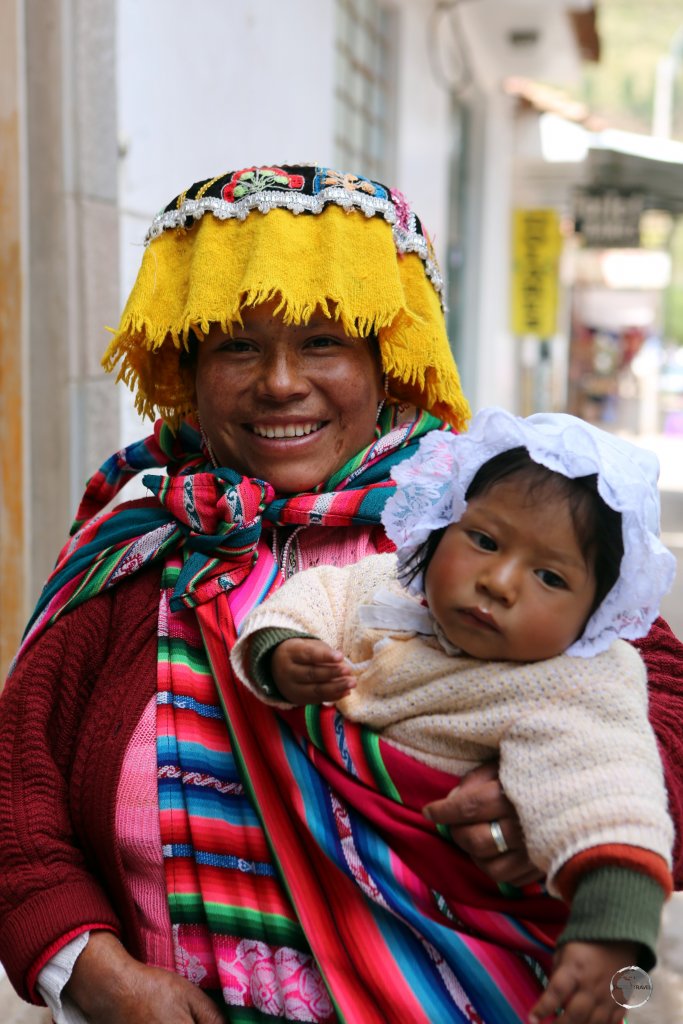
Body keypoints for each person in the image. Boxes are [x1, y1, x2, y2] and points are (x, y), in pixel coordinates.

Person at [0, 163, 681, 1024]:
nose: (281, 381)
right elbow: (16, 797)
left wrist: (545, 814)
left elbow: (653, 708)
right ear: (189, 367)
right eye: (236, 345)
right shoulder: (131, 560)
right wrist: (91, 971)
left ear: (385, 358)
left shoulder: (484, 523)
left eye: (323, 341)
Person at [230, 406, 676, 1024]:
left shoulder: (576, 684)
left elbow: (609, 796)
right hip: (331, 894)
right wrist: (281, 651)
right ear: (438, 526)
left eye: (549, 576)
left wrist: (608, 935)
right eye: (484, 541)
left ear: (595, 612)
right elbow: (312, 597)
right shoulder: (387, 586)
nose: (499, 581)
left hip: (464, 919)